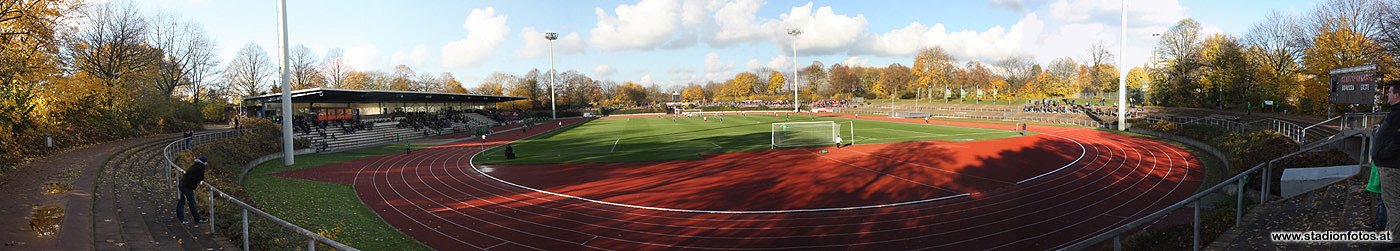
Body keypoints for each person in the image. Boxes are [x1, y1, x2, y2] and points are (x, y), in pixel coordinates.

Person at [1374, 82, 1400, 239]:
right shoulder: (1394, 113)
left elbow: (1398, 141)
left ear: (1397, 94)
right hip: (1388, 165)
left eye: (1389, 92)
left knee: (1393, 204)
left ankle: (1394, 239)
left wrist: (1383, 154)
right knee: (1391, 204)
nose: (1387, 95)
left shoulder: (1398, 114)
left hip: (1391, 166)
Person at [176, 156, 208, 224]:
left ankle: (180, 218)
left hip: (183, 184)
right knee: (192, 203)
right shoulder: (201, 167)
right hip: (187, 187)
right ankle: (197, 219)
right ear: (204, 162)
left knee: (182, 201)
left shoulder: (195, 165)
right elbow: (200, 177)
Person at [1368, 161, 1385, 231]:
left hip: (1381, 181)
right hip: (1379, 180)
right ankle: (1377, 221)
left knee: (1382, 204)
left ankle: (1380, 224)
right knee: (1380, 203)